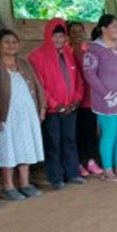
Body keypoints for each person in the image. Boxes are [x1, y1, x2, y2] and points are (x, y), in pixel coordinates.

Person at [0, 29, 46, 201]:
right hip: (5, 116)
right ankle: (8, 186)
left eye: (14, 42)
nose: (12, 45)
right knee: (7, 149)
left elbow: (37, 85)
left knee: (25, 147)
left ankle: (25, 184)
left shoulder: (23, 63)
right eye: (7, 42)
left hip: (26, 114)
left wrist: (41, 108)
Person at [27, 19, 84, 190]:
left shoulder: (67, 54)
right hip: (52, 110)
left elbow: (78, 80)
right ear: (48, 36)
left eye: (61, 36)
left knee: (70, 141)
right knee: (53, 143)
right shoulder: (36, 56)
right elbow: (39, 84)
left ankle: (72, 173)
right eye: (55, 36)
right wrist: (55, 104)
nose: (58, 39)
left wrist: (76, 100)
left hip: (70, 108)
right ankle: (56, 177)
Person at [82, 14, 117, 181]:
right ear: (103, 29)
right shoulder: (94, 49)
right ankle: (107, 169)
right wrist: (106, 93)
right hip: (108, 100)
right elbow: (90, 75)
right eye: (113, 26)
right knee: (109, 133)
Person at [67, 21, 102, 177]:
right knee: (76, 133)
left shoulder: (89, 49)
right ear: (68, 34)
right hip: (71, 99)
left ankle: (91, 160)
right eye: (73, 32)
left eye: (80, 31)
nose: (77, 34)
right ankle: (80, 162)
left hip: (89, 98)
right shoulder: (65, 52)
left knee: (90, 131)